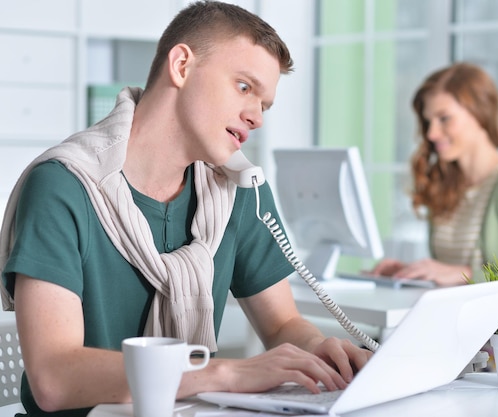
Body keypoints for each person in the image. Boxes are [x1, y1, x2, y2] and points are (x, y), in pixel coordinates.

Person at [0, 2, 371, 416]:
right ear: (181, 66)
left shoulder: (237, 191)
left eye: (264, 105)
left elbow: (283, 325)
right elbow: (54, 377)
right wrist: (223, 373)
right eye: (245, 87)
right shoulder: (63, 185)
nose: (256, 117)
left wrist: (323, 351)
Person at [370, 62, 498, 286]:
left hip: (496, 322)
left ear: (480, 112)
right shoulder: (445, 185)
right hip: (448, 318)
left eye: (444, 118)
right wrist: (411, 273)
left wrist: (466, 274)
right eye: (428, 121)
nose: (432, 133)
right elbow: (447, 273)